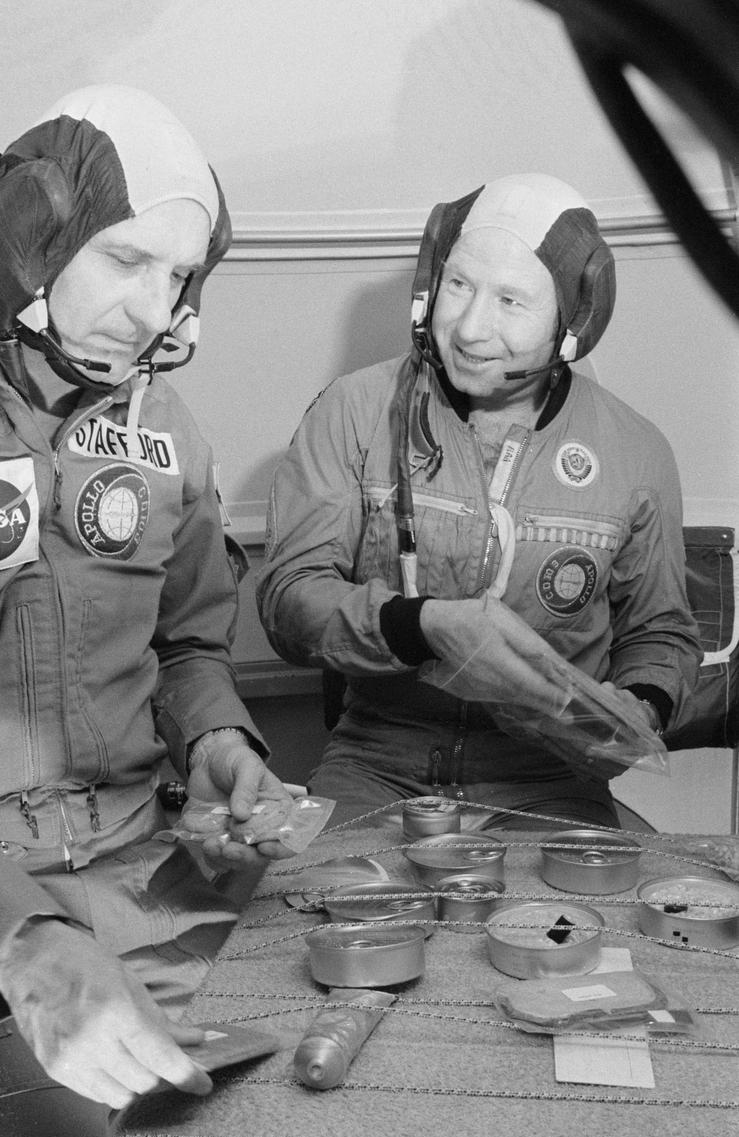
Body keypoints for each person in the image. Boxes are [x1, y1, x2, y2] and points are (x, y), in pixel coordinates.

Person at [0, 84, 295, 1137]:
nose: (153, 310)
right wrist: (19, 943)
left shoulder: (170, 438)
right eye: (126, 259)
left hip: (147, 874)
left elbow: (190, 649)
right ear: (32, 232)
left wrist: (224, 743)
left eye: (179, 278)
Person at [257, 172, 702, 831]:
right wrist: (422, 624)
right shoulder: (352, 410)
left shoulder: (635, 452)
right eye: (458, 286)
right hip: (377, 754)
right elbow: (290, 602)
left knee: (567, 925)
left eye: (510, 301)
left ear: (572, 323)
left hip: (549, 771)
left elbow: (658, 629)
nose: (468, 327)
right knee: (325, 912)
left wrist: (637, 704)